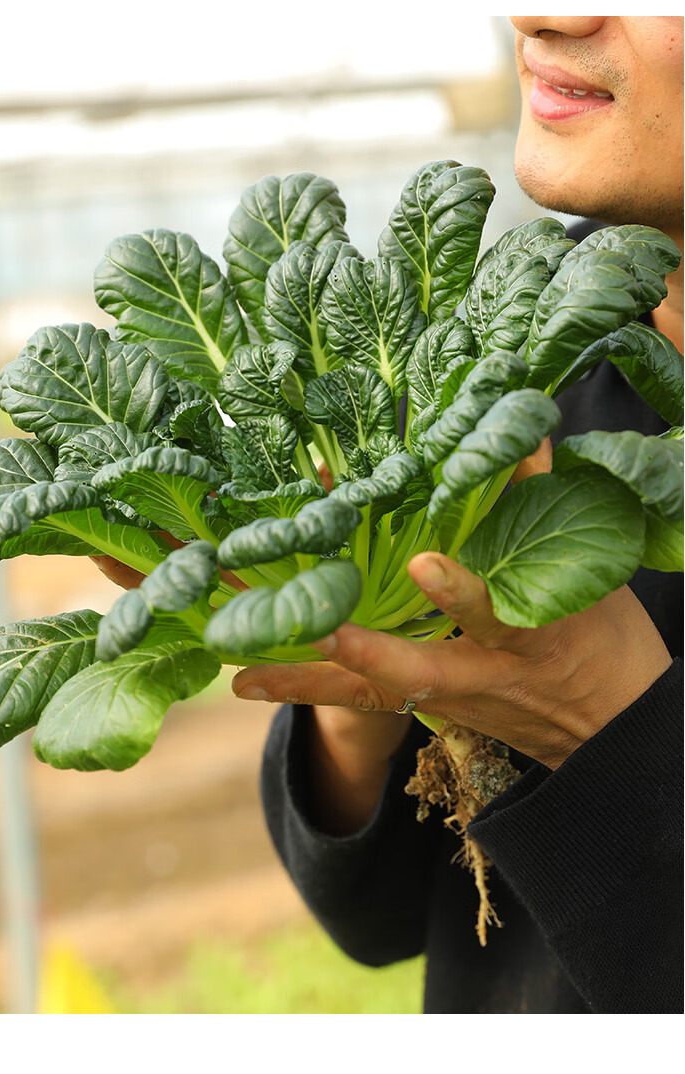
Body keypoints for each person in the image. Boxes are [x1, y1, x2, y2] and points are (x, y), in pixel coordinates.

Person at [229, 16, 684, 1013]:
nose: (546, 16)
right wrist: (367, 677)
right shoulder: (517, 346)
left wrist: (618, 736)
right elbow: (387, 917)